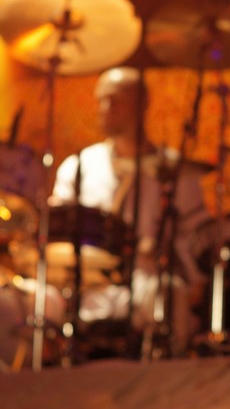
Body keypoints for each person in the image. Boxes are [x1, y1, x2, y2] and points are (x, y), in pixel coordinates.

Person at [47, 66, 210, 357]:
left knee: (170, 295)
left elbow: (195, 236)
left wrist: (194, 278)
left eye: (116, 100)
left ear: (142, 104)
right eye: (101, 100)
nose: (105, 108)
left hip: (146, 280)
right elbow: (57, 232)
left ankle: (168, 376)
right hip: (85, 283)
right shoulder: (80, 165)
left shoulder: (173, 170)